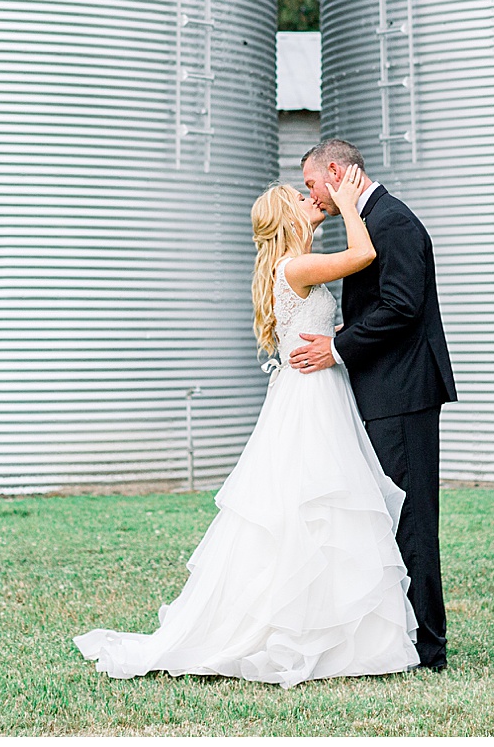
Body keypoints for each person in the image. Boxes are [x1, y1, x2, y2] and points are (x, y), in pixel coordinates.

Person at [74, 164, 420, 687]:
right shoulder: (295, 267)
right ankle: (295, 628)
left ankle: (325, 626)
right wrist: (349, 204)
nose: (313, 203)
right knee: (313, 505)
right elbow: (363, 256)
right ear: (288, 220)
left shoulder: (289, 267)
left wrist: (340, 335)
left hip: (314, 391)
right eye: (303, 202)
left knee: (317, 507)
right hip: (310, 400)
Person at [293, 139, 456, 671]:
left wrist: (338, 347)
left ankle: (427, 648)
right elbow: (379, 304)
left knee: (412, 519)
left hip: (404, 393)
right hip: (385, 388)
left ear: (336, 172)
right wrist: (347, 330)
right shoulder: (374, 221)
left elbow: (403, 307)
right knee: (389, 515)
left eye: (314, 184)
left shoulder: (393, 223)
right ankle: (398, 637)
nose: (312, 196)